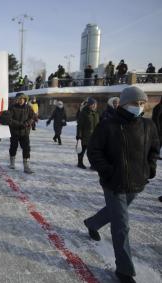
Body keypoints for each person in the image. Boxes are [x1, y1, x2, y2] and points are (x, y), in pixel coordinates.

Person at [84, 86, 159, 283]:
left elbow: (154, 148)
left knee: (115, 213)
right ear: (124, 103)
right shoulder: (108, 125)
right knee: (121, 225)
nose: (140, 106)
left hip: (137, 182)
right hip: (114, 183)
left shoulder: (148, 125)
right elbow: (94, 151)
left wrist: (150, 168)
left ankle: (92, 223)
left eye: (143, 103)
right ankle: (124, 270)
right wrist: (108, 171)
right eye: (136, 103)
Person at [4, 93, 35, 173]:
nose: (20, 100)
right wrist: (19, 124)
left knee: (26, 148)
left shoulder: (29, 108)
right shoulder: (12, 107)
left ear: (25, 99)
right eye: (19, 99)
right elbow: (9, 119)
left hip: (25, 132)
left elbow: (32, 117)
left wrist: (27, 123)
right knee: (13, 147)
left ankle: (26, 166)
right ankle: (12, 163)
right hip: (14, 131)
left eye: (22, 99)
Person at [76, 97, 99, 169]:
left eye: (95, 104)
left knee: (92, 152)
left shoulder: (96, 113)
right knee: (82, 151)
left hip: (94, 136)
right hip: (85, 136)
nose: (94, 106)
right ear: (89, 105)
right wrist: (79, 137)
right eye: (93, 104)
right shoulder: (84, 113)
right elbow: (79, 126)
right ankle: (80, 163)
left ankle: (93, 165)